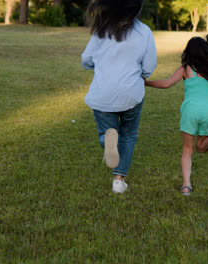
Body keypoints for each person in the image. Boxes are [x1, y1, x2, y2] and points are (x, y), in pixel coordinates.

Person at [81, 0, 157, 193]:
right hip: (131, 93)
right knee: (129, 134)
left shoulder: (102, 29)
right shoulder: (145, 32)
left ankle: (106, 142)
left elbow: (86, 59)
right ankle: (118, 181)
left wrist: (99, 66)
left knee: (106, 133)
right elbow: (149, 66)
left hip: (102, 94)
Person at [144, 35, 208, 196]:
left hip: (191, 111)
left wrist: (146, 82)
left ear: (188, 52)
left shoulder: (185, 69)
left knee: (188, 150)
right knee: (201, 147)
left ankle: (186, 186)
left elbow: (167, 83)